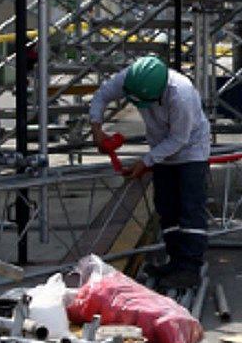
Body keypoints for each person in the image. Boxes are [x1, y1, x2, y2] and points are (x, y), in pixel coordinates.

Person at [89, 55, 211, 290]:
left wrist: (145, 161)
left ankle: (189, 267)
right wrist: (96, 128)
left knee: (190, 209)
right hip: (159, 149)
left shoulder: (181, 94)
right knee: (166, 206)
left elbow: (179, 138)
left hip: (190, 152)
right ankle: (174, 261)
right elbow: (102, 95)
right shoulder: (131, 79)